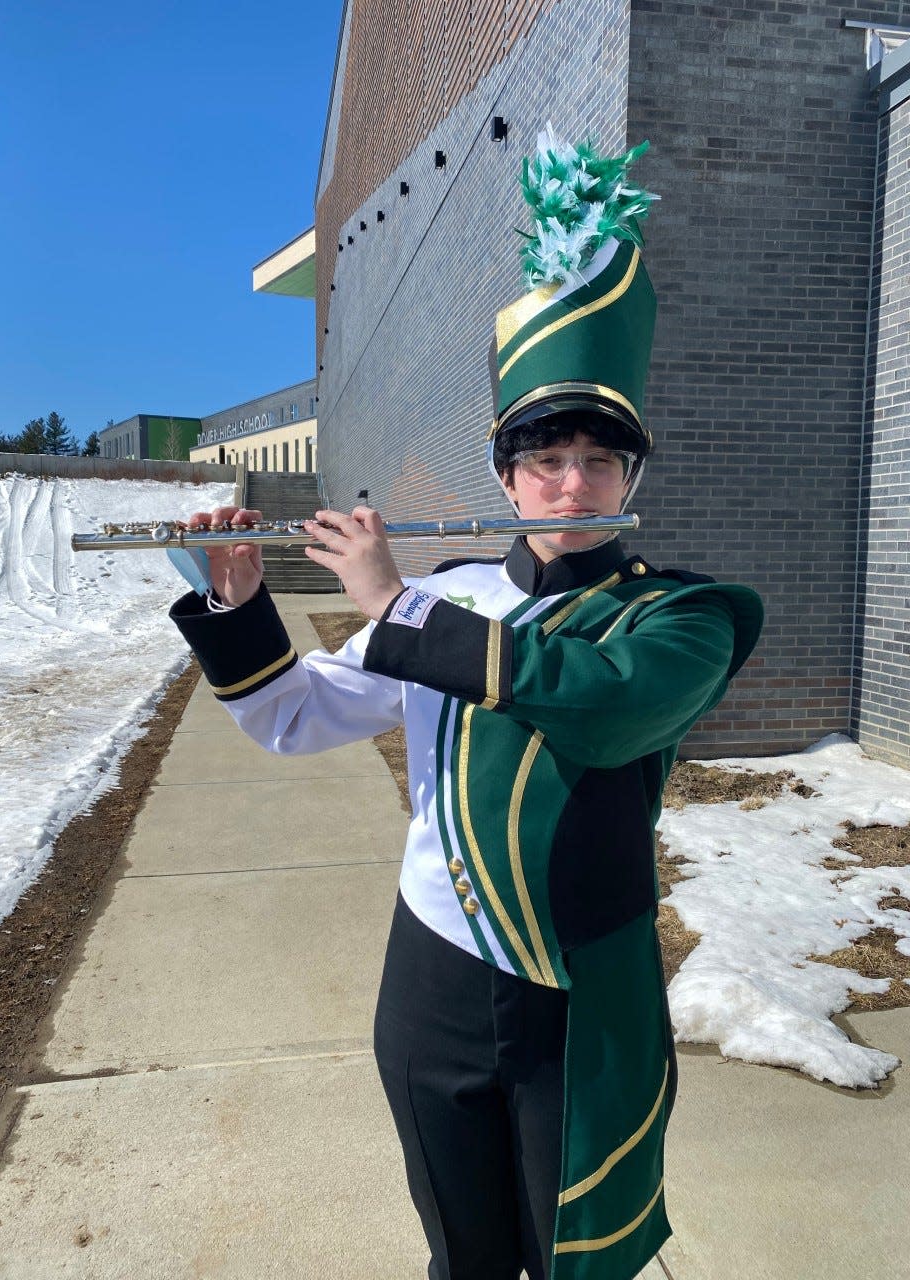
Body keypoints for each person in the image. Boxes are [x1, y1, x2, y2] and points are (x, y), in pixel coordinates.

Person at [169, 131, 763, 1280]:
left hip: (583, 991)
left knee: (580, 1258)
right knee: (465, 1252)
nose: (572, 482)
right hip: (434, 977)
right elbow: (293, 716)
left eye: (601, 458)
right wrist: (242, 605)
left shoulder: (684, 615)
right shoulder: (451, 596)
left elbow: (603, 705)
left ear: (633, 478)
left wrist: (392, 601)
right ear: (506, 474)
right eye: (545, 456)